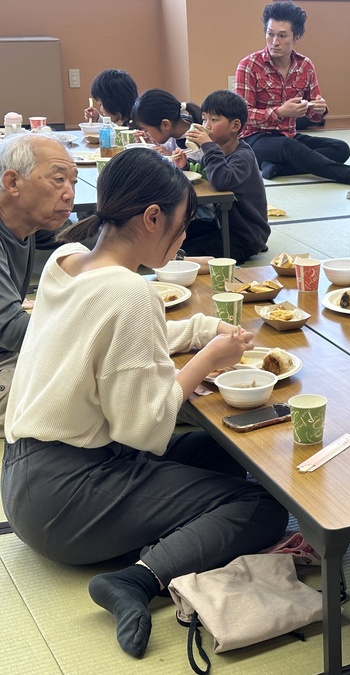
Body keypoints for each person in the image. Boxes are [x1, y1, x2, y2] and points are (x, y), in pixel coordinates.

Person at [2, 148, 288, 659]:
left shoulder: (66, 263)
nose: (182, 240)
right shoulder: (128, 292)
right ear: (153, 218)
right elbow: (146, 428)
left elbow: (115, 340)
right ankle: (136, 580)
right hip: (67, 498)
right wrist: (207, 361)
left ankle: (167, 536)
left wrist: (203, 332)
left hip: (25, 478)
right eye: (181, 226)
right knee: (260, 505)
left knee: (223, 450)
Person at [234, 1, 350, 185]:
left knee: (340, 148)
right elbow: (241, 116)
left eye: (282, 35)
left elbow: (313, 115)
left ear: (297, 37)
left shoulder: (305, 66)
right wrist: (280, 112)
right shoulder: (248, 65)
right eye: (270, 34)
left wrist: (319, 109)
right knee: (291, 147)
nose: (274, 41)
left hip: (288, 136)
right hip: (252, 140)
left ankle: (278, 168)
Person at [0, 134, 77, 431]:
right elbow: (11, 329)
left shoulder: (28, 221)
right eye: (58, 180)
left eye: (72, 181)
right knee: (93, 401)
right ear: (12, 182)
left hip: (12, 352)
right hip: (7, 358)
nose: (69, 193)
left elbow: (95, 241)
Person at [178, 89, 269, 263]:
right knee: (176, 238)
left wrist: (208, 145)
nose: (207, 125)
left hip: (243, 236)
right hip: (219, 226)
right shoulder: (215, 151)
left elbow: (221, 181)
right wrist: (186, 165)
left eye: (214, 119)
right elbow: (204, 171)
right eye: (204, 118)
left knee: (186, 254)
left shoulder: (243, 156)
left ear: (235, 126)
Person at [131, 88, 204, 165]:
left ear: (165, 125)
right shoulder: (173, 132)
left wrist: (171, 158)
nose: (145, 134)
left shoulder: (198, 140)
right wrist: (150, 143)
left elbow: (199, 170)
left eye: (146, 130)